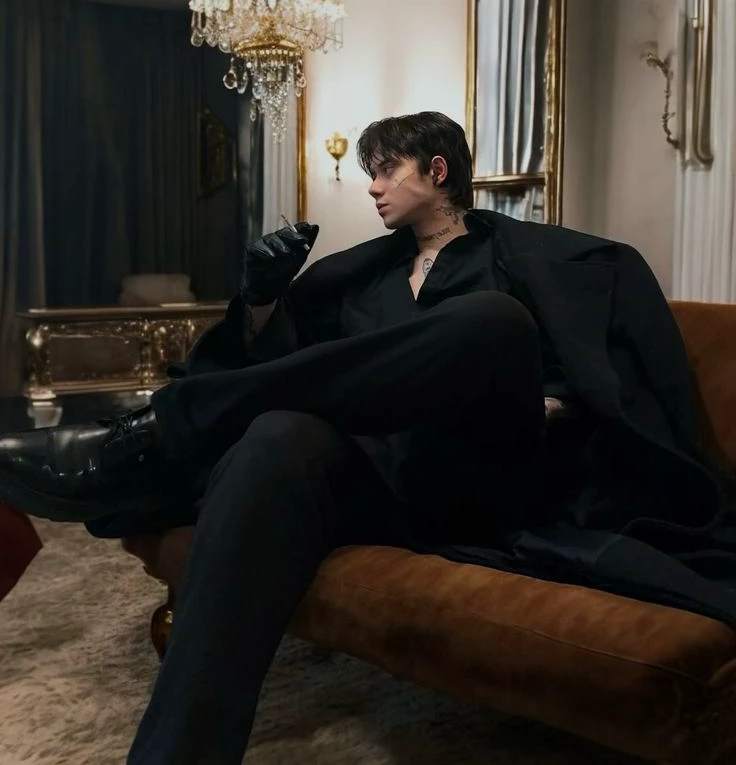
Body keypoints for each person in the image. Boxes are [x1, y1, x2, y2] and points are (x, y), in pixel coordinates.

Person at [1, 111, 735, 764]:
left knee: (491, 321)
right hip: (382, 481)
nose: (374, 188)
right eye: (369, 173)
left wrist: (552, 400)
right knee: (278, 435)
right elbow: (285, 365)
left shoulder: (521, 264)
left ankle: (157, 428)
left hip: (492, 475)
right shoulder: (356, 280)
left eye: (386, 170)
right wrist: (260, 302)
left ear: (437, 170)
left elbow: (606, 377)